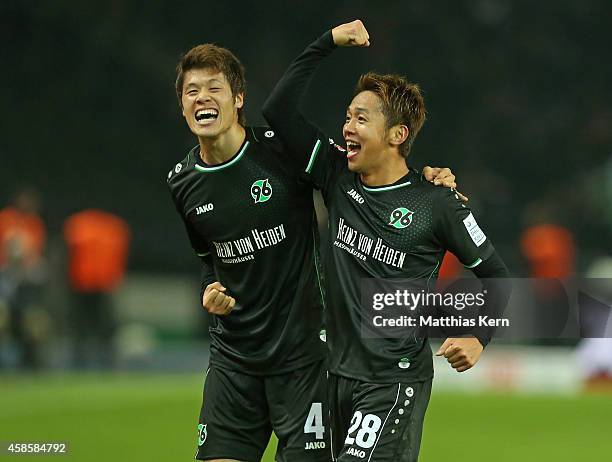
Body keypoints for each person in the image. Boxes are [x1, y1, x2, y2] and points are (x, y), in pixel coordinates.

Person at [167, 42, 459, 462]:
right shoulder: (182, 182)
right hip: (234, 358)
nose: (202, 98)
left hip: (305, 358)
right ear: (181, 105)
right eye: (192, 91)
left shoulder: (281, 152)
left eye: (214, 87)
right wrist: (209, 286)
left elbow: (376, 168)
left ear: (238, 99)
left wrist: (427, 180)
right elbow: (205, 257)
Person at [262, 20, 510, 461]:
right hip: (331, 375)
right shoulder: (337, 176)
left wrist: (478, 335)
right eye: (347, 116)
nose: (347, 127)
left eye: (361, 118)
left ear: (397, 135)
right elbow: (279, 112)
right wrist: (327, 43)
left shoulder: (438, 203)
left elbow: (497, 276)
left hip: (392, 381)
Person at [64, 209, 130, 368]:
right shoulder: (80, 224)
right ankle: (81, 358)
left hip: (101, 284)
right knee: (82, 323)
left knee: (102, 323)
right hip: (83, 284)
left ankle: (104, 358)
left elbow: (119, 257)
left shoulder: (113, 227)